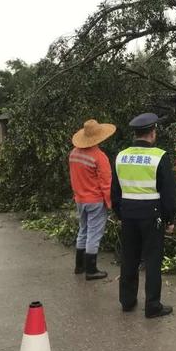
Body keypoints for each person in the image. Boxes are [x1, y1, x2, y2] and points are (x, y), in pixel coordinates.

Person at [112, 112, 176, 318]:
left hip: (128, 213)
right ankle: (152, 305)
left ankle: (127, 301)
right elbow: (168, 192)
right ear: (152, 132)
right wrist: (170, 218)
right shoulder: (159, 156)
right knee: (153, 259)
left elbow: (114, 190)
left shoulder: (121, 156)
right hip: (152, 214)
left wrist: (119, 213)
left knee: (129, 257)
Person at [68, 119, 116, 280]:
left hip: (80, 199)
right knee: (94, 234)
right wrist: (110, 203)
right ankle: (91, 269)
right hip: (95, 200)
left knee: (83, 230)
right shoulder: (99, 157)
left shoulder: (74, 153)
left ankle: (79, 266)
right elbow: (106, 183)